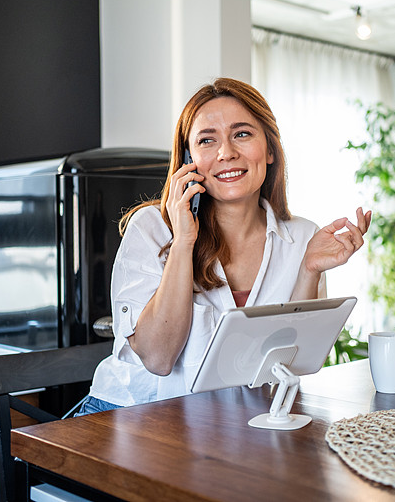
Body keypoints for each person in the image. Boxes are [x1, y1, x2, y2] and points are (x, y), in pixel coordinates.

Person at [77, 78, 371, 415]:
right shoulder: (153, 228)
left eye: (242, 134)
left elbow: (290, 366)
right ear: (189, 159)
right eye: (207, 140)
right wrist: (184, 241)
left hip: (233, 422)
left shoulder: (305, 238)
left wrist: (308, 271)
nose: (226, 152)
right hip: (133, 414)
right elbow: (158, 359)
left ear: (270, 149)